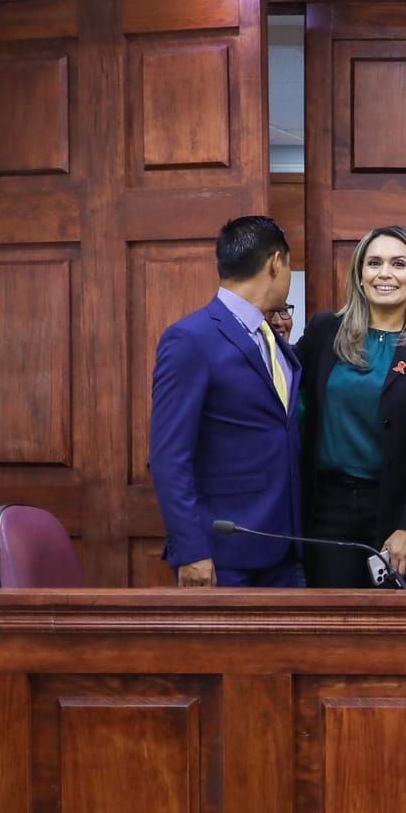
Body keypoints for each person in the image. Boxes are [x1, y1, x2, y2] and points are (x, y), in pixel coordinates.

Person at [149, 215, 303, 587]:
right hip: (224, 556)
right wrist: (191, 550)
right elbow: (169, 456)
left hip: (287, 549)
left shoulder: (272, 336)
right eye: (289, 266)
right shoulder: (190, 339)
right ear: (276, 262)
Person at [293, 225, 406, 588]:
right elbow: (283, 395)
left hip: (397, 508)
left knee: (394, 620)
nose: (384, 273)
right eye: (374, 263)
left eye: (398, 264)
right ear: (360, 275)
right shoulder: (324, 331)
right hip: (328, 505)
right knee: (333, 617)